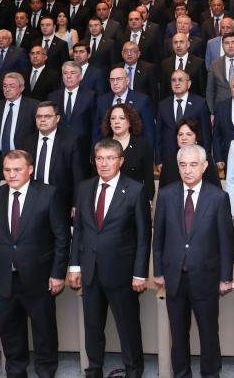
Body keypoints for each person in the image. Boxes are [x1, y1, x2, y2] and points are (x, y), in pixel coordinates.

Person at [0, 150, 70, 378]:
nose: (11, 174)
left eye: (17, 169)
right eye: (7, 170)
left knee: (44, 331)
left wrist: (58, 273)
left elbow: (62, 237)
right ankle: (16, 372)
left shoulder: (48, 194)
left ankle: (46, 371)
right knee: (10, 331)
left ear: (30, 169)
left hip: (40, 277)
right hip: (4, 278)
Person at [68, 139, 152, 378]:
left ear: (121, 161)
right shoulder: (84, 187)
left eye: (110, 158)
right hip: (90, 271)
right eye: (99, 158)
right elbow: (79, 230)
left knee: (128, 327)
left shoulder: (135, 190)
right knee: (92, 327)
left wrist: (140, 273)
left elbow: (143, 236)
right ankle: (94, 369)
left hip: (122, 273)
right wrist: (74, 266)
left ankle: (133, 371)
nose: (104, 164)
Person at [153, 144, 234, 378]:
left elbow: (225, 241)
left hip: (206, 277)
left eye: (193, 165)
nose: (188, 170)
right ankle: (181, 373)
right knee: (178, 333)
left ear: (204, 166)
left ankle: (210, 373)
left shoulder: (218, 197)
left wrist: (226, 277)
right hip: (174, 277)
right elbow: (158, 237)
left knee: (208, 332)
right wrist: (158, 271)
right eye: (183, 165)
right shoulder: (166, 195)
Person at [98, 103, 156, 203]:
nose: (116, 122)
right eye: (113, 118)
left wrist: (148, 200)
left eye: (121, 118)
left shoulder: (142, 145)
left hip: (134, 199)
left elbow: (148, 177)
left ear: (130, 122)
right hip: (107, 199)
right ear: (109, 123)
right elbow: (96, 177)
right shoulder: (102, 145)